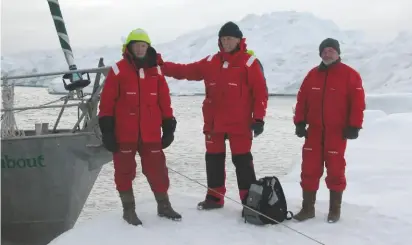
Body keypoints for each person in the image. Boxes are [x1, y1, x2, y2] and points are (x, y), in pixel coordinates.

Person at [159, 21, 268, 211]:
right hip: (214, 123)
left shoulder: (249, 63)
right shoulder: (210, 62)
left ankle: (249, 202)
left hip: (240, 124)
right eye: (223, 39)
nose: (226, 42)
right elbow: (185, 70)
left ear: (238, 40)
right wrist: (161, 65)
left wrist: (259, 119)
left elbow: (261, 93)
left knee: (242, 162)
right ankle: (215, 199)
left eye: (230, 38)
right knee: (213, 160)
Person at [98, 28, 182, 226]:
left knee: (157, 170)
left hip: (151, 133)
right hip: (124, 134)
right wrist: (107, 131)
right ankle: (129, 210)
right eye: (136, 45)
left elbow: (164, 101)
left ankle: (164, 205)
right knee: (124, 171)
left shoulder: (157, 71)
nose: (140, 48)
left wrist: (169, 126)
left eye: (143, 45)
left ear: (148, 47)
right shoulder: (118, 70)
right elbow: (107, 103)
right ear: (129, 47)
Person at [292, 38, 366, 223]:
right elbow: (302, 101)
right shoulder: (312, 75)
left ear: (338, 53)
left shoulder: (350, 75)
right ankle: (307, 208)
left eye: (331, 50)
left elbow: (357, 103)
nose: (328, 53)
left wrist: (354, 125)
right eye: (324, 50)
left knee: (335, 170)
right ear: (320, 53)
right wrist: (300, 122)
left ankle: (335, 210)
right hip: (314, 131)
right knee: (309, 169)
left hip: (337, 132)